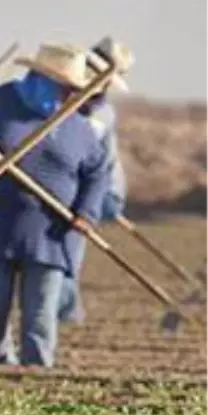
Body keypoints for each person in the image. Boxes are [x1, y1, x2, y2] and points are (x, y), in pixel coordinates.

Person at [0, 43, 111, 367]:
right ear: (42, 78)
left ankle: (36, 380)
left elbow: (97, 172)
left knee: (39, 319)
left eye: (73, 90)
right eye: (64, 87)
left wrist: (86, 214)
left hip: (49, 234)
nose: (69, 96)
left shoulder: (79, 127)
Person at [58, 37, 134, 324]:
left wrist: (105, 200)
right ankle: (65, 312)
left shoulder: (100, 112)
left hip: (87, 194)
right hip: (68, 190)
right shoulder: (68, 104)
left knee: (67, 257)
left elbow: (103, 164)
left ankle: (67, 313)